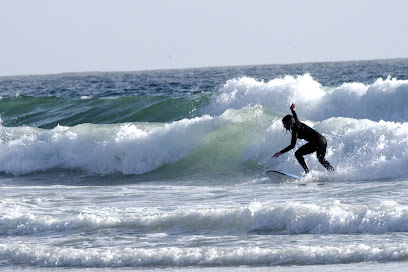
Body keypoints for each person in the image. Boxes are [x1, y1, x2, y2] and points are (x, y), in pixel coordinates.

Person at [272, 102, 335, 174]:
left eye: (285, 124)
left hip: (316, 142)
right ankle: (334, 173)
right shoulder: (296, 122)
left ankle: (307, 172)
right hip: (323, 140)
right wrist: (292, 110)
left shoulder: (295, 129)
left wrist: (280, 152)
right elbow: (294, 116)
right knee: (321, 160)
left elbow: (292, 145)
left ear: (289, 123)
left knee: (297, 154)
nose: (284, 126)